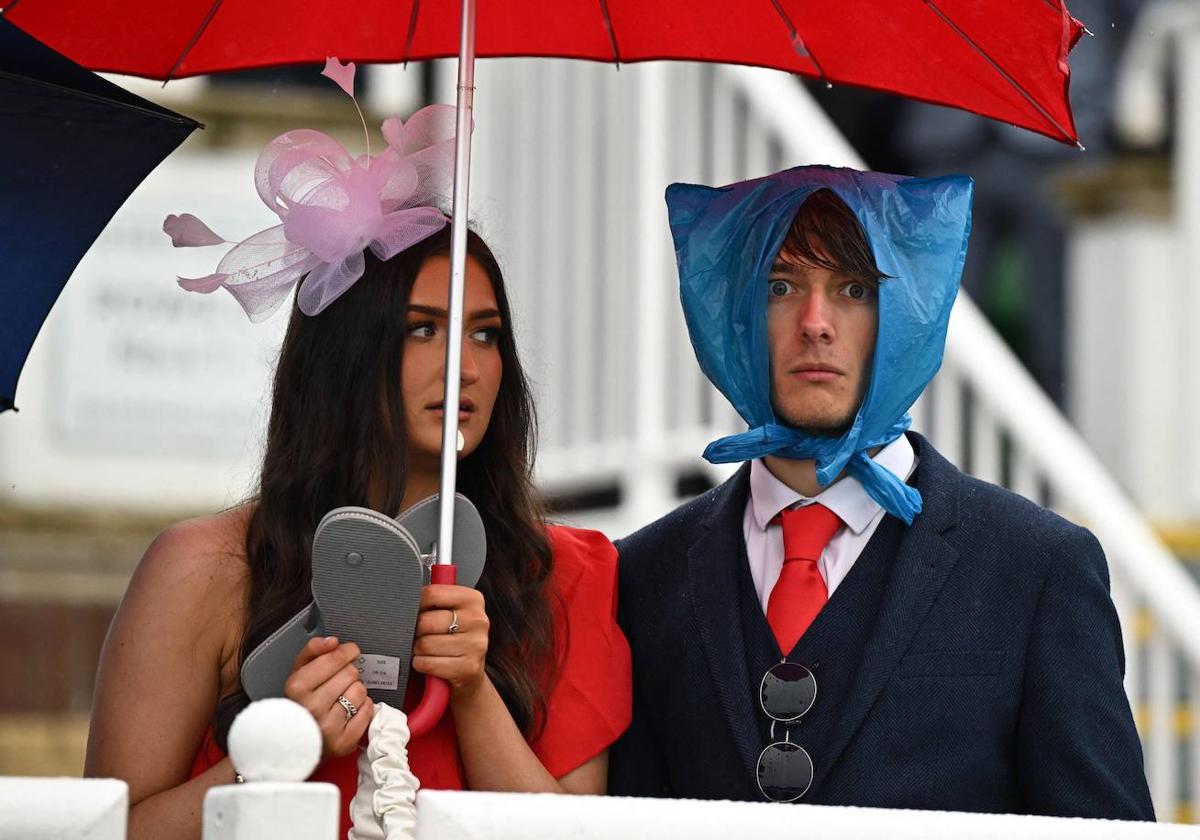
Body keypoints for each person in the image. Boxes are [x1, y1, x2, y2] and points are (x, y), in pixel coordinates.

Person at [83, 65, 631, 840]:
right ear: (344, 354)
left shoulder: (567, 574)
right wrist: (275, 752)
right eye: (421, 329)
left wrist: (472, 692)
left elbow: (577, 833)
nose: (465, 366)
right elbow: (110, 831)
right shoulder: (206, 570)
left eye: (485, 333)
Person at [609, 166, 1154, 819]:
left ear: (910, 312)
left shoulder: (1037, 567)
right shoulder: (643, 574)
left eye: (855, 289)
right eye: (780, 286)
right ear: (729, 307)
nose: (815, 322)